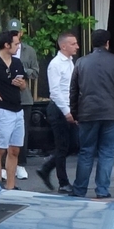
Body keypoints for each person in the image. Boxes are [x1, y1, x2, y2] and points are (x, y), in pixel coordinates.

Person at [70, 29, 114, 199]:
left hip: (87, 112)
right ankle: (102, 189)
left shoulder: (81, 63)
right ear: (107, 43)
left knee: (86, 151)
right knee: (107, 152)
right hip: (113, 113)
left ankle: (80, 189)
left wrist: (75, 113)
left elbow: (73, 91)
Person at [0, 29, 28, 188]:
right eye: (16, 43)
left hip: (18, 110)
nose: (19, 46)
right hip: (1, 110)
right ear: (6, 45)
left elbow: (24, 86)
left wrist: (22, 84)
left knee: (15, 150)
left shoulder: (17, 63)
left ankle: (11, 186)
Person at [42, 30, 80, 192]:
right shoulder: (55, 64)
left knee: (74, 144)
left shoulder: (70, 62)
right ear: (63, 46)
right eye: (73, 44)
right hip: (58, 108)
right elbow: (55, 91)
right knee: (62, 145)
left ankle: (48, 166)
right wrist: (66, 111)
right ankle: (63, 183)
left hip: (69, 107)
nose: (77, 47)